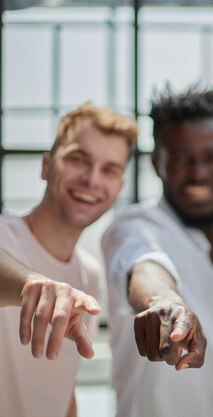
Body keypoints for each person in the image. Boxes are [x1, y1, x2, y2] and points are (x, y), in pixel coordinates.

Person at [101, 85, 213, 417]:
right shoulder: (134, 225)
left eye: (211, 157)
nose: (199, 172)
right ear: (156, 164)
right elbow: (143, 265)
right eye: (180, 159)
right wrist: (165, 303)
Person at [0, 102, 138, 417]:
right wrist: (31, 284)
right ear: (46, 165)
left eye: (109, 170)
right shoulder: (5, 236)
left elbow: (61, 387)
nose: (92, 179)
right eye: (78, 159)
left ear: (119, 187)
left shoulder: (88, 273)